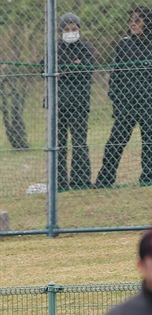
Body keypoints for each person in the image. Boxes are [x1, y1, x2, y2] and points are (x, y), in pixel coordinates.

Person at [96, 6, 152, 188]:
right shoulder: (124, 44)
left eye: (137, 20)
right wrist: (117, 98)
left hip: (151, 103)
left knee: (151, 144)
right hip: (126, 103)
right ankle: (104, 180)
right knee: (115, 142)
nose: (133, 23)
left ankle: (148, 179)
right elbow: (115, 75)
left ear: (147, 22)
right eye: (131, 20)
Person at [53, 13, 95, 190]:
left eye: (74, 29)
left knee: (79, 141)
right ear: (61, 31)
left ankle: (81, 181)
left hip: (79, 103)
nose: (70, 32)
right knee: (58, 143)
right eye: (66, 29)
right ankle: (60, 182)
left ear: (79, 30)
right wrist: (73, 64)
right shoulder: (54, 48)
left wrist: (62, 68)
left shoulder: (87, 47)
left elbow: (86, 71)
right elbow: (44, 68)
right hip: (57, 103)